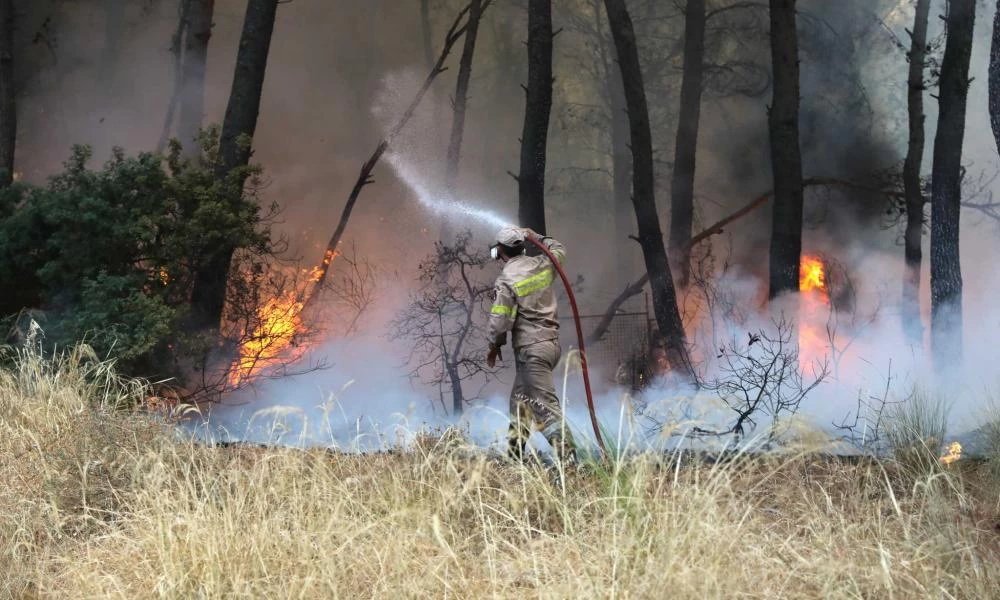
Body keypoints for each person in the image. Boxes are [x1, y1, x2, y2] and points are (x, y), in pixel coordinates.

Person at [486, 226, 577, 464]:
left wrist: (494, 345)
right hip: (549, 346)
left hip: (531, 352)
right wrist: (535, 236)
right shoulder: (542, 264)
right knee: (520, 404)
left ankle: (569, 462)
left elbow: (499, 320)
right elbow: (559, 249)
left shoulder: (506, 279)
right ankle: (515, 456)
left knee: (544, 408)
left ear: (500, 251)